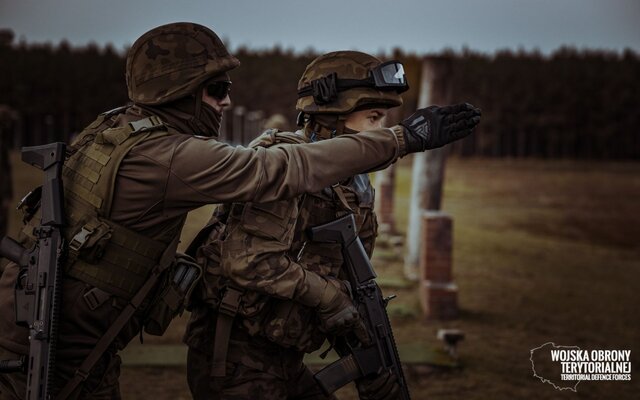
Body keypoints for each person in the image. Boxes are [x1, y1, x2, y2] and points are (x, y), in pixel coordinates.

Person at [0, 23, 477, 400]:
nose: (227, 100)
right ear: (180, 92)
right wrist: (402, 139)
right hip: (51, 345)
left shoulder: (120, 129)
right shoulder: (168, 155)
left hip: (60, 334)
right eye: (217, 88)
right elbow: (273, 172)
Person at [183, 51, 481, 399]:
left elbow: (348, 288)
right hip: (235, 360)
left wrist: (369, 364)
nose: (381, 130)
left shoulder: (352, 186)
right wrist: (330, 298)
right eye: (373, 117)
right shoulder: (284, 169)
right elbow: (248, 261)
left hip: (284, 359)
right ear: (331, 116)